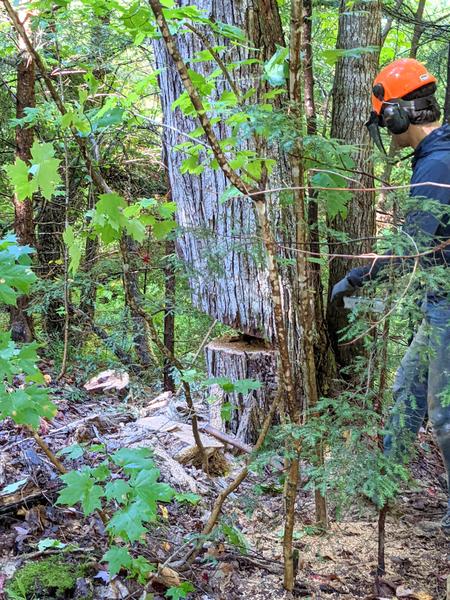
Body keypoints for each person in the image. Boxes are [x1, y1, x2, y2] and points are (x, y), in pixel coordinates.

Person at [331, 58, 450, 531]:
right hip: (440, 303)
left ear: (402, 115)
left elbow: (411, 247)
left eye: (386, 119)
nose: (386, 128)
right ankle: (384, 484)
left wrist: (358, 278)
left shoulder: (439, 163)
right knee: (406, 391)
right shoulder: (438, 155)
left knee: (444, 416)